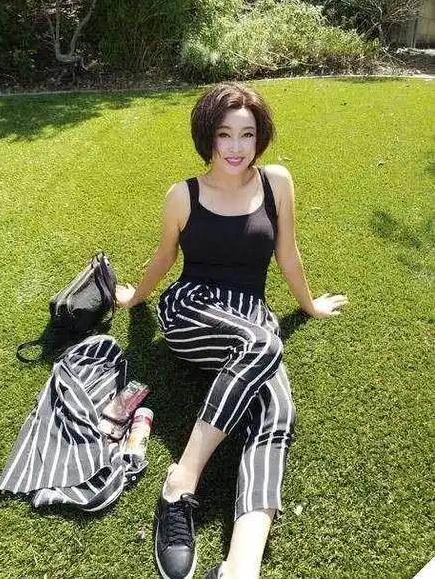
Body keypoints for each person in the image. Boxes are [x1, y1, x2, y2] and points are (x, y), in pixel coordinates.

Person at [116, 83, 347, 579]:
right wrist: (135, 299)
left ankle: (241, 566)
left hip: (251, 315)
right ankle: (181, 480)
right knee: (263, 344)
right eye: (224, 134)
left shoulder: (277, 183)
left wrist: (309, 305)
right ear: (208, 137)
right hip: (190, 310)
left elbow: (288, 253)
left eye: (247, 134)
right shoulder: (183, 195)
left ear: (260, 136)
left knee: (277, 409)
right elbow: (164, 257)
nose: (237, 147)